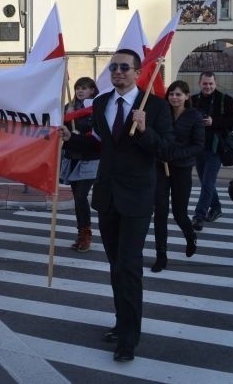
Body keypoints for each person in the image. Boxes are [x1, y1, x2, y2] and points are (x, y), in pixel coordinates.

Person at [61, 49, 172, 362]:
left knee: (129, 266)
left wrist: (145, 128)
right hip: (107, 195)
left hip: (137, 197)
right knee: (115, 266)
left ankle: (129, 338)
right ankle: (121, 321)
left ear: (138, 73)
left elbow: (165, 150)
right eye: (114, 67)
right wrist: (70, 138)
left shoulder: (155, 106)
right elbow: (100, 146)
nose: (118, 72)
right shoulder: (101, 103)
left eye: (125, 67)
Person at [150, 80, 204, 273]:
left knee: (179, 213)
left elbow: (198, 145)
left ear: (187, 96)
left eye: (179, 94)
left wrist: (174, 155)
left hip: (182, 168)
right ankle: (161, 255)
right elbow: (155, 137)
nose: (174, 97)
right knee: (160, 212)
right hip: (160, 167)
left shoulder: (194, 116)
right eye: (171, 93)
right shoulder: (162, 113)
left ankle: (190, 236)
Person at [190, 71, 233, 231]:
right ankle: (216, 207)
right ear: (199, 83)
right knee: (205, 182)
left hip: (217, 148)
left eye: (210, 83)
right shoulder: (193, 100)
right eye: (205, 83)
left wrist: (213, 121)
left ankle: (199, 216)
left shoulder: (226, 100)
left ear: (215, 83)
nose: (208, 86)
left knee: (208, 182)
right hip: (197, 147)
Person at [61, 76, 100, 252]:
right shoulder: (69, 109)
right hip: (73, 157)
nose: (79, 91)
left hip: (90, 158)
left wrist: (79, 133)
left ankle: (86, 234)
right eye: (78, 88)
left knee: (81, 196)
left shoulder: (96, 109)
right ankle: (81, 233)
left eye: (84, 88)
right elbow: (59, 129)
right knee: (77, 198)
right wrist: (66, 117)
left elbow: (97, 134)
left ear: (92, 90)